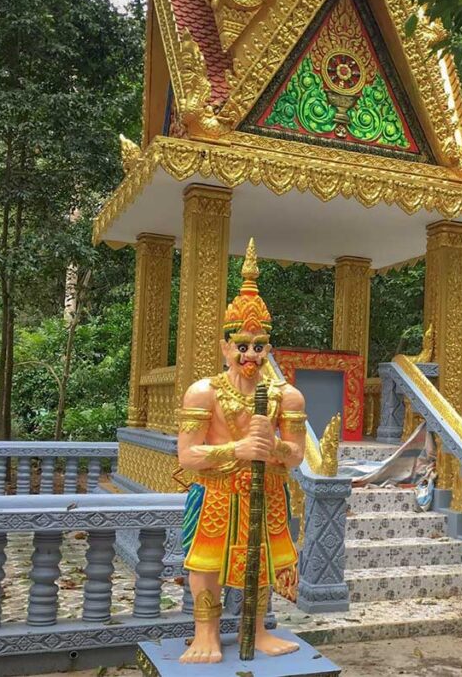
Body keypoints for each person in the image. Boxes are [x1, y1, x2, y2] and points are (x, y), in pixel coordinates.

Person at [175, 239, 306, 663]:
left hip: (265, 491)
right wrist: (239, 447)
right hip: (216, 492)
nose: (250, 354)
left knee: (263, 561)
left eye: (259, 345)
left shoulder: (287, 397)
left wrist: (273, 447)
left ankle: (259, 629)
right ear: (225, 346)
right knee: (208, 561)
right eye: (242, 345)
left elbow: (297, 456)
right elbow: (188, 456)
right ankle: (206, 633)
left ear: (269, 349)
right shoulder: (203, 393)